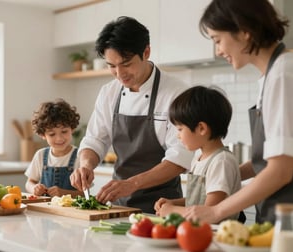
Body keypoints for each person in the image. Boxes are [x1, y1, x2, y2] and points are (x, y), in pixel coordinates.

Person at [184, 0, 293, 224]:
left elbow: (281, 169)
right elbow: (265, 160)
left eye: (218, 40)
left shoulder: (283, 74)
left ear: (244, 31)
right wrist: (223, 173)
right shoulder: (271, 76)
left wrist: (216, 211)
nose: (218, 50)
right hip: (277, 214)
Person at [70, 16, 193, 213]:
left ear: (146, 52)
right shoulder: (109, 92)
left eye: (126, 63)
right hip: (118, 206)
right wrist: (85, 165)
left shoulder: (177, 93)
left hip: (164, 208)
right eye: (111, 65)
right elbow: (95, 140)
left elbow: (179, 158)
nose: (120, 73)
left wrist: (132, 184)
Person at [154, 86, 241, 221]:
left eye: (180, 129)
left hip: (215, 236)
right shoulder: (199, 158)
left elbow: (210, 211)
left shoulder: (221, 161)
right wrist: (173, 203)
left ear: (201, 128)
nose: (178, 136)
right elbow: (199, 199)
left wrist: (173, 211)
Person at [25, 98, 83, 198]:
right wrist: (34, 188)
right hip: (44, 209)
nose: (59, 138)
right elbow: (29, 182)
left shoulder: (80, 156)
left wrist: (64, 193)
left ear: (72, 129)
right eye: (52, 134)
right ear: (43, 135)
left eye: (64, 131)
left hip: (70, 211)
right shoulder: (41, 155)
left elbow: (84, 193)